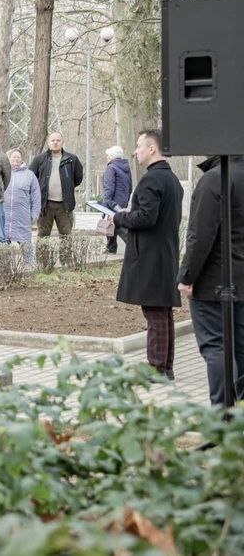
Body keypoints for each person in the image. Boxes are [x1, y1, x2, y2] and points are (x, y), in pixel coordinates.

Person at [111, 130, 183, 378]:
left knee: (154, 314)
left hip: (151, 256)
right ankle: (166, 367)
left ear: (152, 149)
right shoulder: (171, 179)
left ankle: (156, 369)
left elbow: (146, 217)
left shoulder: (152, 180)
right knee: (163, 313)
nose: (136, 151)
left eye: (139, 145)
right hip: (165, 253)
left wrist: (119, 217)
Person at [177, 155, 244, 406]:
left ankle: (223, 417)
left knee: (217, 347)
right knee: (240, 348)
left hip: (213, 282)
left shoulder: (214, 180)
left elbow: (200, 235)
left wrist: (187, 276)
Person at [29, 132, 84, 239]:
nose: (55, 143)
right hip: (45, 205)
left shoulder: (72, 159)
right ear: (48, 143)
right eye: (52, 140)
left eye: (58, 140)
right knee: (43, 237)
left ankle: (65, 257)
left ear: (62, 142)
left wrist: (67, 186)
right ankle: (43, 257)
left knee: (66, 237)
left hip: (65, 205)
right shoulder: (39, 159)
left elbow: (78, 178)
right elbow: (31, 178)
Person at [3, 149, 41, 266]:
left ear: (22, 159)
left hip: (22, 216)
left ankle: (29, 265)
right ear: (8, 159)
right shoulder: (3, 173)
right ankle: (5, 266)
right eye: (13, 157)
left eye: (18, 157)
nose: (16, 159)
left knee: (25, 241)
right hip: (4, 215)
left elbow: (36, 195)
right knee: (3, 243)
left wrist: (34, 213)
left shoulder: (30, 175)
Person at [102, 146, 133, 254]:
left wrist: (105, 203)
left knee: (118, 226)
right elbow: (130, 187)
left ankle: (134, 248)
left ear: (111, 156)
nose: (107, 158)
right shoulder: (126, 168)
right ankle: (110, 247)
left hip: (112, 202)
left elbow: (109, 187)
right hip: (123, 201)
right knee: (112, 225)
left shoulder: (111, 168)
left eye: (107, 156)